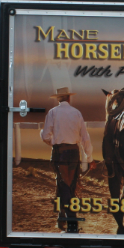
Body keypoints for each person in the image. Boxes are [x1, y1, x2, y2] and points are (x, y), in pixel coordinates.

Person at [40, 87, 94, 232]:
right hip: (74, 153)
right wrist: (89, 158)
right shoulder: (76, 113)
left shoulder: (53, 113)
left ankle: (71, 224)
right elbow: (85, 137)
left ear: (58, 99)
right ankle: (62, 217)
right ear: (69, 98)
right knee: (69, 186)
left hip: (60, 153)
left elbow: (45, 136)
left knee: (64, 186)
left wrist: (55, 142)